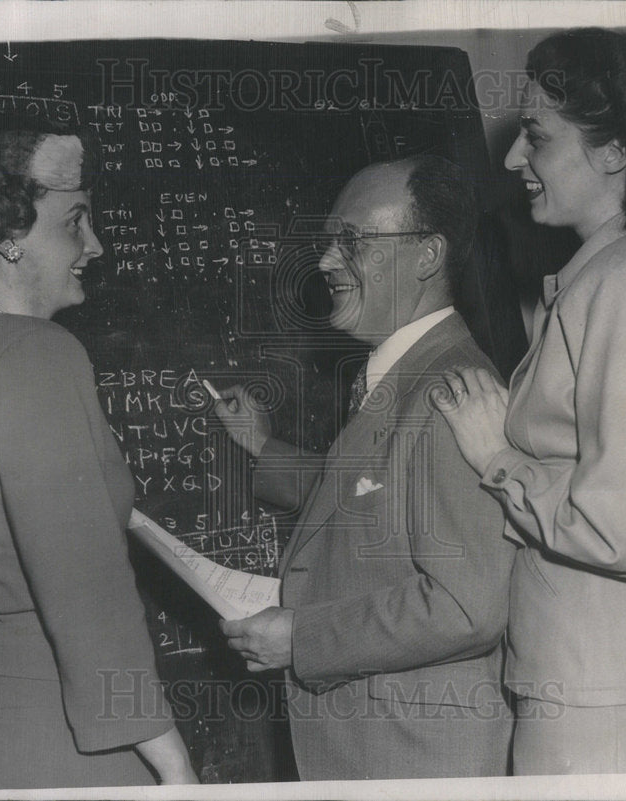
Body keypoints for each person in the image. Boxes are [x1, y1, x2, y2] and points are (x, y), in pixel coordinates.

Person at [432, 28, 626, 775]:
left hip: (610, 701)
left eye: (535, 137)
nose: (511, 159)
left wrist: (498, 457)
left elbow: (625, 533)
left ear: (615, 150)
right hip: (604, 682)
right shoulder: (622, 273)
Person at [0, 113, 198, 790]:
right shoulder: (36, 353)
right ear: (7, 234)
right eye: (74, 220)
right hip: (57, 731)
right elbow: (86, 590)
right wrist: (174, 763)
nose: (97, 244)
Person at [211, 156, 516, 780]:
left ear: (427, 256)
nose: (325, 262)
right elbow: (374, 496)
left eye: (352, 242)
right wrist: (263, 448)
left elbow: (467, 606)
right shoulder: (407, 374)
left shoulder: (447, 392)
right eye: (329, 242)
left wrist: (303, 637)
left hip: (414, 759)